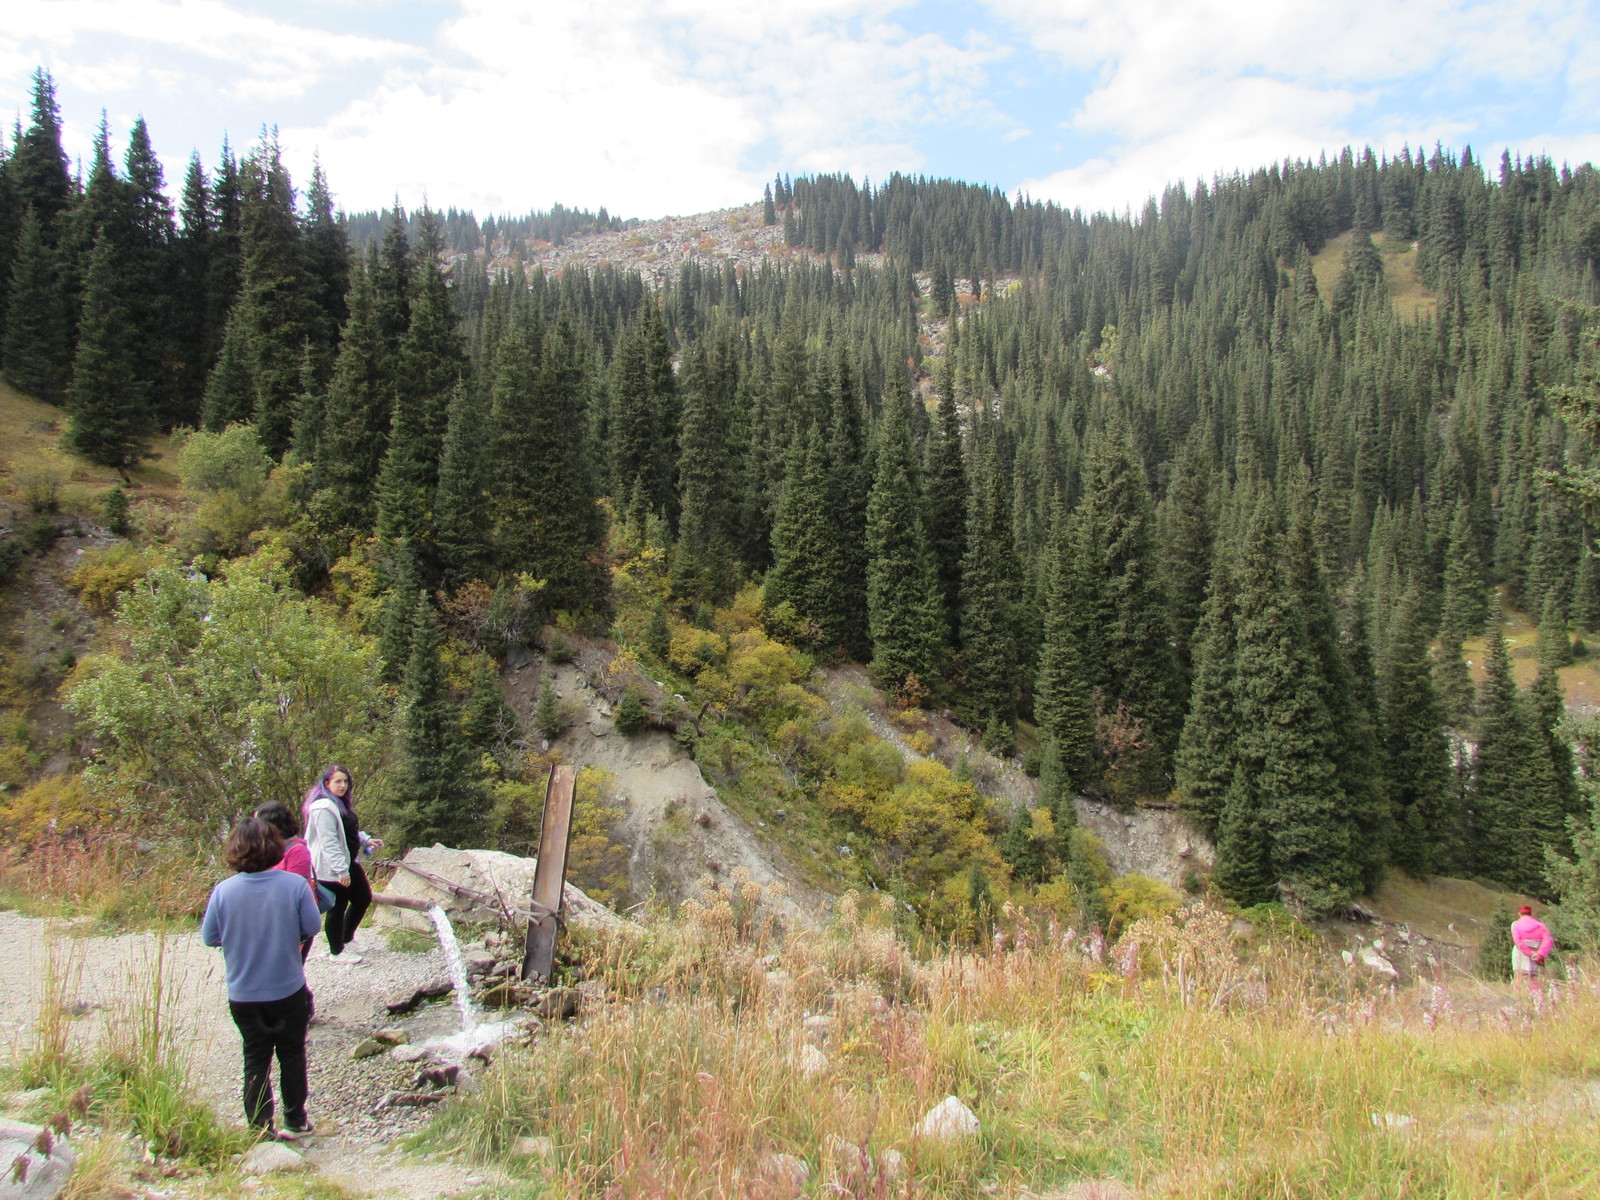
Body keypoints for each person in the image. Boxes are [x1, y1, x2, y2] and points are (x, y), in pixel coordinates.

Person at [201, 816, 320, 1139]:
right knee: (292, 1053)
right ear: (274, 848)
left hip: (243, 993)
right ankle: (295, 1118)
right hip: (288, 988)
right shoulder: (294, 886)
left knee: (255, 1058)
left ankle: (259, 1127)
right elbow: (312, 927)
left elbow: (210, 936)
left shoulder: (223, 891)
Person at [303, 764, 382, 963]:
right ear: (326, 783)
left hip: (347, 861)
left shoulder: (338, 803)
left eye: (345, 781)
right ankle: (336, 951)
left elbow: (347, 829)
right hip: (330, 866)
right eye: (337, 781)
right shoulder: (322, 807)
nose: (342, 785)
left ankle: (346, 938)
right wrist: (340, 870)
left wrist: (365, 840)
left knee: (363, 897)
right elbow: (328, 841)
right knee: (337, 906)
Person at [254, 800, 324, 962]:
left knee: (290, 971)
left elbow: (293, 890)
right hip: (270, 918)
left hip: (293, 920)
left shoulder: (298, 851)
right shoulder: (267, 850)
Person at [1510, 904, 1554, 989]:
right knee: (1534, 977)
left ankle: (1518, 996)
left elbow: (1517, 941)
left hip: (1520, 953)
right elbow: (1548, 940)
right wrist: (1540, 953)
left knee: (1519, 976)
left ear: (1519, 913)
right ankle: (1535, 997)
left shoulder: (1516, 925)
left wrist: (1529, 952)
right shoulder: (1540, 925)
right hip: (1536, 952)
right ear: (1530, 913)